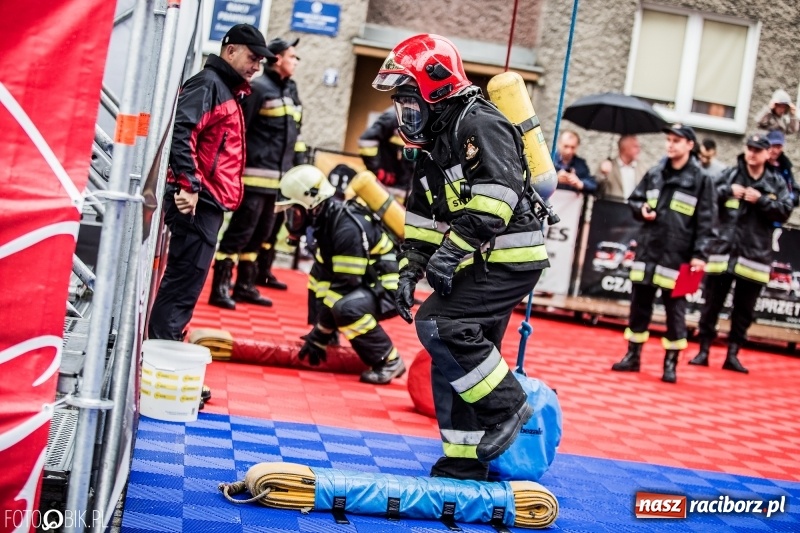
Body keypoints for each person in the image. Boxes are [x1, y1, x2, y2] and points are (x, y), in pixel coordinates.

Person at [373, 34, 550, 480]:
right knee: (453, 355)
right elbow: (421, 216)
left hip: (510, 259)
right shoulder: (434, 141)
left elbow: (497, 199)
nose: (406, 115)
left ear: (436, 86)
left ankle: (508, 408)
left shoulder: (479, 124)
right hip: (479, 259)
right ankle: (465, 462)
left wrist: (448, 256)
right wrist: (410, 269)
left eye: (410, 102)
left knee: (440, 324)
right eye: (402, 106)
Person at [148, 24, 272, 340]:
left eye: (261, 61)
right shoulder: (210, 85)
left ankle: (166, 346)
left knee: (187, 280)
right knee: (184, 280)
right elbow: (182, 131)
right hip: (198, 200)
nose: (257, 66)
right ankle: (163, 352)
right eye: (253, 57)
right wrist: (189, 185)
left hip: (206, 200)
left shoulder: (224, 88)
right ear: (230, 50)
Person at [276, 165, 405, 384]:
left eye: (294, 212)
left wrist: (320, 331)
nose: (292, 220)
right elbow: (324, 275)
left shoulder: (345, 228)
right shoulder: (325, 223)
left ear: (311, 204)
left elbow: (346, 284)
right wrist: (322, 331)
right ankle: (332, 336)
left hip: (388, 288)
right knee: (317, 279)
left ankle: (389, 360)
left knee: (345, 308)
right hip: (367, 282)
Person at [610, 124, 716, 383]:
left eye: (677, 141)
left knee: (675, 313)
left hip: (678, 258)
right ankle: (632, 356)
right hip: (649, 252)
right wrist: (641, 209)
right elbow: (635, 200)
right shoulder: (656, 172)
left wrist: (699, 255)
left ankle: (671, 363)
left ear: (690, 145)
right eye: (669, 140)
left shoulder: (702, 180)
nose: (670, 145)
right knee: (639, 308)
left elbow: (707, 223)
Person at [210, 36, 305, 309]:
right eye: (292, 56)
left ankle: (245, 286)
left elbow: (294, 137)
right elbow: (240, 131)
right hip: (253, 179)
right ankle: (220, 289)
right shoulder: (259, 89)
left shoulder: (287, 92)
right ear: (276, 58)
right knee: (239, 234)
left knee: (261, 235)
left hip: (277, 182)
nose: (295, 61)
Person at [689, 134, 792, 373]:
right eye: (750, 148)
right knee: (711, 305)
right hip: (722, 254)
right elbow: (706, 198)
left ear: (767, 154)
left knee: (744, 310)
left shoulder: (775, 183)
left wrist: (762, 201)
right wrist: (726, 191)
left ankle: (733, 354)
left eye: (758, 150)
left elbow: (785, 210)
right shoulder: (728, 175)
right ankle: (703, 350)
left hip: (754, 257)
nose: (752, 153)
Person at [358, 107, 415, 200]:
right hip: (384, 192)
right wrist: (377, 171)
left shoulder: (424, 119)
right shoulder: (394, 116)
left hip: (407, 196)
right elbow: (366, 141)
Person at [596, 135, 645, 200]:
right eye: (635, 147)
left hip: (632, 208)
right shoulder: (609, 166)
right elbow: (597, 189)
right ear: (624, 148)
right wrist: (603, 174)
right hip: (613, 207)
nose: (639, 150)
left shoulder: (642, 168)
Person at [554, 129, 597, 194]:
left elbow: (593, 185)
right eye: (566, 146)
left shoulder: (580, 164)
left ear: (577, 146)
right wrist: (555, 179)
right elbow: (537, 182)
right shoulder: (549, 160)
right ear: (559, 143)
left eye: (572, 147)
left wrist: (579, 183)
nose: (569, 151)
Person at [765, 130, 799, 207]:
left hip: (779, 210)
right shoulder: (760, 164)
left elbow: (793, 187)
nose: (776, 151)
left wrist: (791, 198)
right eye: (773, 146)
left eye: (779, 147)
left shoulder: (784, 165)